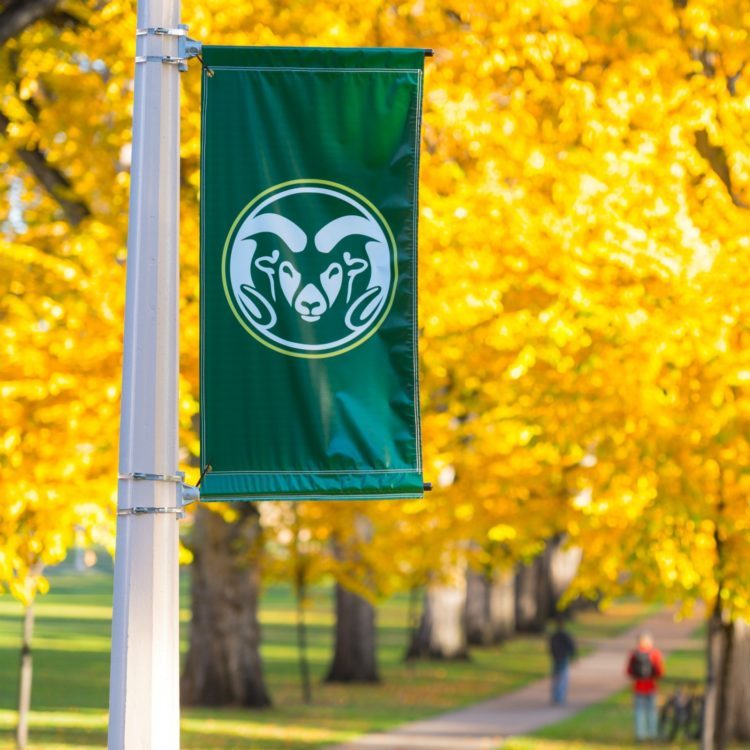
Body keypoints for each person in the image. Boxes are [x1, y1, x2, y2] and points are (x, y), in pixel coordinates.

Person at [626, 632, 665, 741]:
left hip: (638, 686)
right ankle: (653, 733)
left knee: (639, 711)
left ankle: (640, 734)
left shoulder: (634, 654)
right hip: (651, 686)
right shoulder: (654, 653)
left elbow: (629, 671)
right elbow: (660, 671)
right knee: (652, 711)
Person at [548, 617, 577, 705]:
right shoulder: (565, 636)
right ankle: (559, 697)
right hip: (562, 658)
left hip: (557, 658)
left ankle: (557, 696)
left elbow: (551, 648)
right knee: (562, 678)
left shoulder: (554, 636)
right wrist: (573, 657)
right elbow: (571, 647)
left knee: (557, 678)